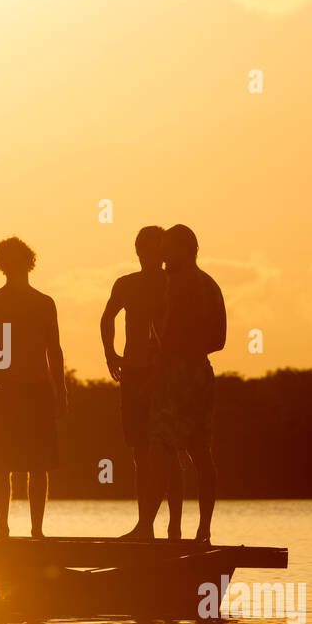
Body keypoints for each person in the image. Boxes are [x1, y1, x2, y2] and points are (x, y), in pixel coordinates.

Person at [0, 237, 66, 538]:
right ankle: (2, 527)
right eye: (10, 260)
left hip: (37, 389)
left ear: (27, 262)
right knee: (0, 466)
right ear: (2, 265)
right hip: (4, 389)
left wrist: (61, 391)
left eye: (20, 260)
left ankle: (37, 530)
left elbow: (54, 350)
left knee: (38, 465)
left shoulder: (44, 303)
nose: (15, 266)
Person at [152, 224, 226, 542]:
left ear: (187, 249)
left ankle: (181, 529)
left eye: (168, 248)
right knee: (198, 451)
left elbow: (214, 338)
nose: (163, 255)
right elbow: (219, 341)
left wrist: (174, 351)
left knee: (174, 449)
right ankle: (195, 529)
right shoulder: (208, 284)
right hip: (198, 371)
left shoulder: (182, 285)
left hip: (181, 374)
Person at [100, 225, 169, 539]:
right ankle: (145, 525)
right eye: (147, 248)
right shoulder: (126, 284)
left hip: (164, 376)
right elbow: (107, 317)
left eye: (159, 249)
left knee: (163, 450)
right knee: (139, 451)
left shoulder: (172, 283)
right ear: (139, 251)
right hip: (132, 372)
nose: (153, 255)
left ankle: (170, 525)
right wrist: (110, 354)